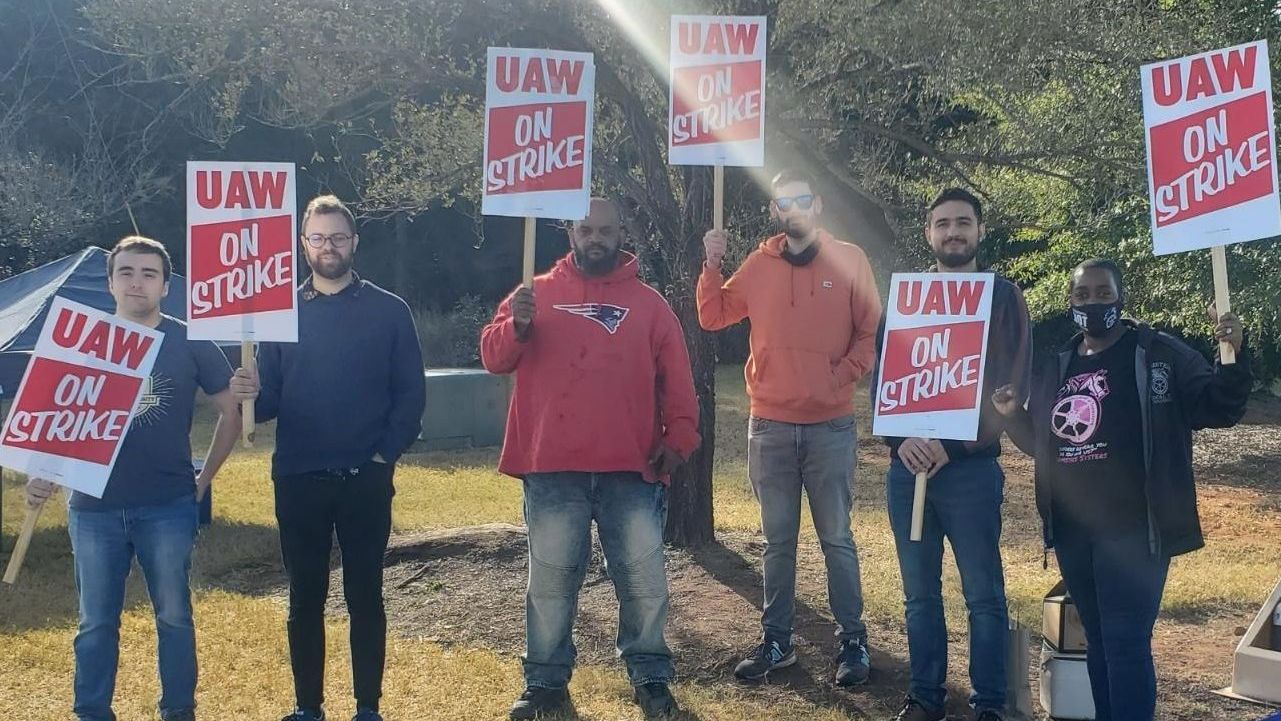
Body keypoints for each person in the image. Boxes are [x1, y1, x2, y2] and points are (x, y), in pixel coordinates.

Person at [993, 258, 1250, 721]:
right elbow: (1044, 444)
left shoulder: (1158, 354)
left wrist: (1232, 355)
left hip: (1135, 529)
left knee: (1126, 642)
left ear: (1121, 297)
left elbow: (1219, 407)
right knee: (1096, 641)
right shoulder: (1058, 365)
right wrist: (1013, 416)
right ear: (1070, 302)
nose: (1092, 302)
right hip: (1074, 530)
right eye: (1082, 295)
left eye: (1103, 293)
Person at [481, 198, 700, 721]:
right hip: (553, 467)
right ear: (570, 233)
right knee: (551, 582)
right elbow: (493, 357)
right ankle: (545, 684)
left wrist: (679, 439)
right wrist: (516, 326)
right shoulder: (533, 293)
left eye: (604, 230)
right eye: (586, 229)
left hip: (633, 468)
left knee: (643, 582)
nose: (595, 238)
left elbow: (678, 381)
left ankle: (650, 677)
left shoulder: (650, 305)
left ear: (621, 233)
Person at [25, 235, 240, 721]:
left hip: (168, 504)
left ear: (165, 286)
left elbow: (232, 412)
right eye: (126, 272)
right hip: (92, 507)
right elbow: (50, 416)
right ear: (110, 283)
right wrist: (41, 474)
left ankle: (178, 711)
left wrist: (204, 477)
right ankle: (92, 712)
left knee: (174, 616)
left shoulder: (189, 340)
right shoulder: (79, 341)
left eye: (148, 274)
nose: (136, 282)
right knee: (95, 622)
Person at [230, 195, 426, 721]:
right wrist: (247, 393)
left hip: (366, 476)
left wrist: (384, 457)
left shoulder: (389, 310)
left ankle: (367, 708)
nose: (328, 247)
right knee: (304, 598)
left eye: (338, 237)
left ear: (354, 242)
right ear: (303, 244)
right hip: (299, 476)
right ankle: (308, 707)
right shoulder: (279, 313)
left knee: (366, 596)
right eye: (318, 238)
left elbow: (410, 395)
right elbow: (270, 402)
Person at [698, 169, 881, 685]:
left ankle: (853, 642)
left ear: (816, 204)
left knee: (837, 539)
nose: (794, 207)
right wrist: (711, 264)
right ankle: (777, 642)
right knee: (777, 543)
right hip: (770, 428)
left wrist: (837, 377)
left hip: (830, 428)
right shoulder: (759, 264)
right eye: (784, 201)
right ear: (775, 210)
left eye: (802, 198)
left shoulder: (850, 259)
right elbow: (713, 315)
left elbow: (869, 332)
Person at [873, 188, 1031, 721]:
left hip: (971, 472)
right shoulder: (907, 298)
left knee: (983, 595)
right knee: (919, 595)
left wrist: (956, 443)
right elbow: (884, 379)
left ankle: (990, 703)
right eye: (943, 224)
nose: (953, 232)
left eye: (963, 222)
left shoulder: (1002, 297)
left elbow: (1013, 386)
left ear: (980, 230)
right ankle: (925, 697)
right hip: (908, 471)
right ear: (928, 233)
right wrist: (902, 442)